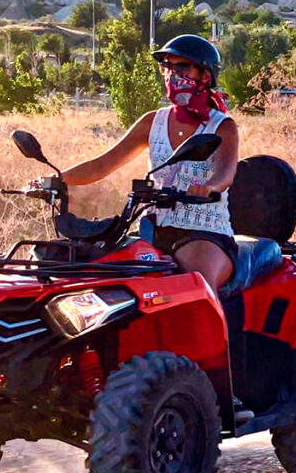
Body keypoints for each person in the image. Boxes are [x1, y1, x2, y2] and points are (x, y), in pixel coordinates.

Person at [59, 35, 239, 291]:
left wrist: (210, 186)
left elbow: (227, 172)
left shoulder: (222, 126)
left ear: (205, 75)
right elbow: (103, 163)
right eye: (167, 67)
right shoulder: (151, 122)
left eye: (182, 68)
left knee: (197, 288)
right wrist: (57, 179)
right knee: (106, 280)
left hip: (204, 232)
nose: (172, 75)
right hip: (152, 229)